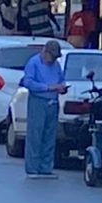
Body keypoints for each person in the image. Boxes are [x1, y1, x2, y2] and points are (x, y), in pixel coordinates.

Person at [18, 38, 67, 178]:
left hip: (53, 101)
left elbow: (61, 78)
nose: (52, 60)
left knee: (49, 135)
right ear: (45, 52)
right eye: (51, 56)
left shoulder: (56, 65)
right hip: (38, 101)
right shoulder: (34, 63)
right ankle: (32, 168)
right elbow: (28, 82)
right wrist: (47, 87)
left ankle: (46, 167)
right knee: (35, 134)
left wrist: (62, 87)